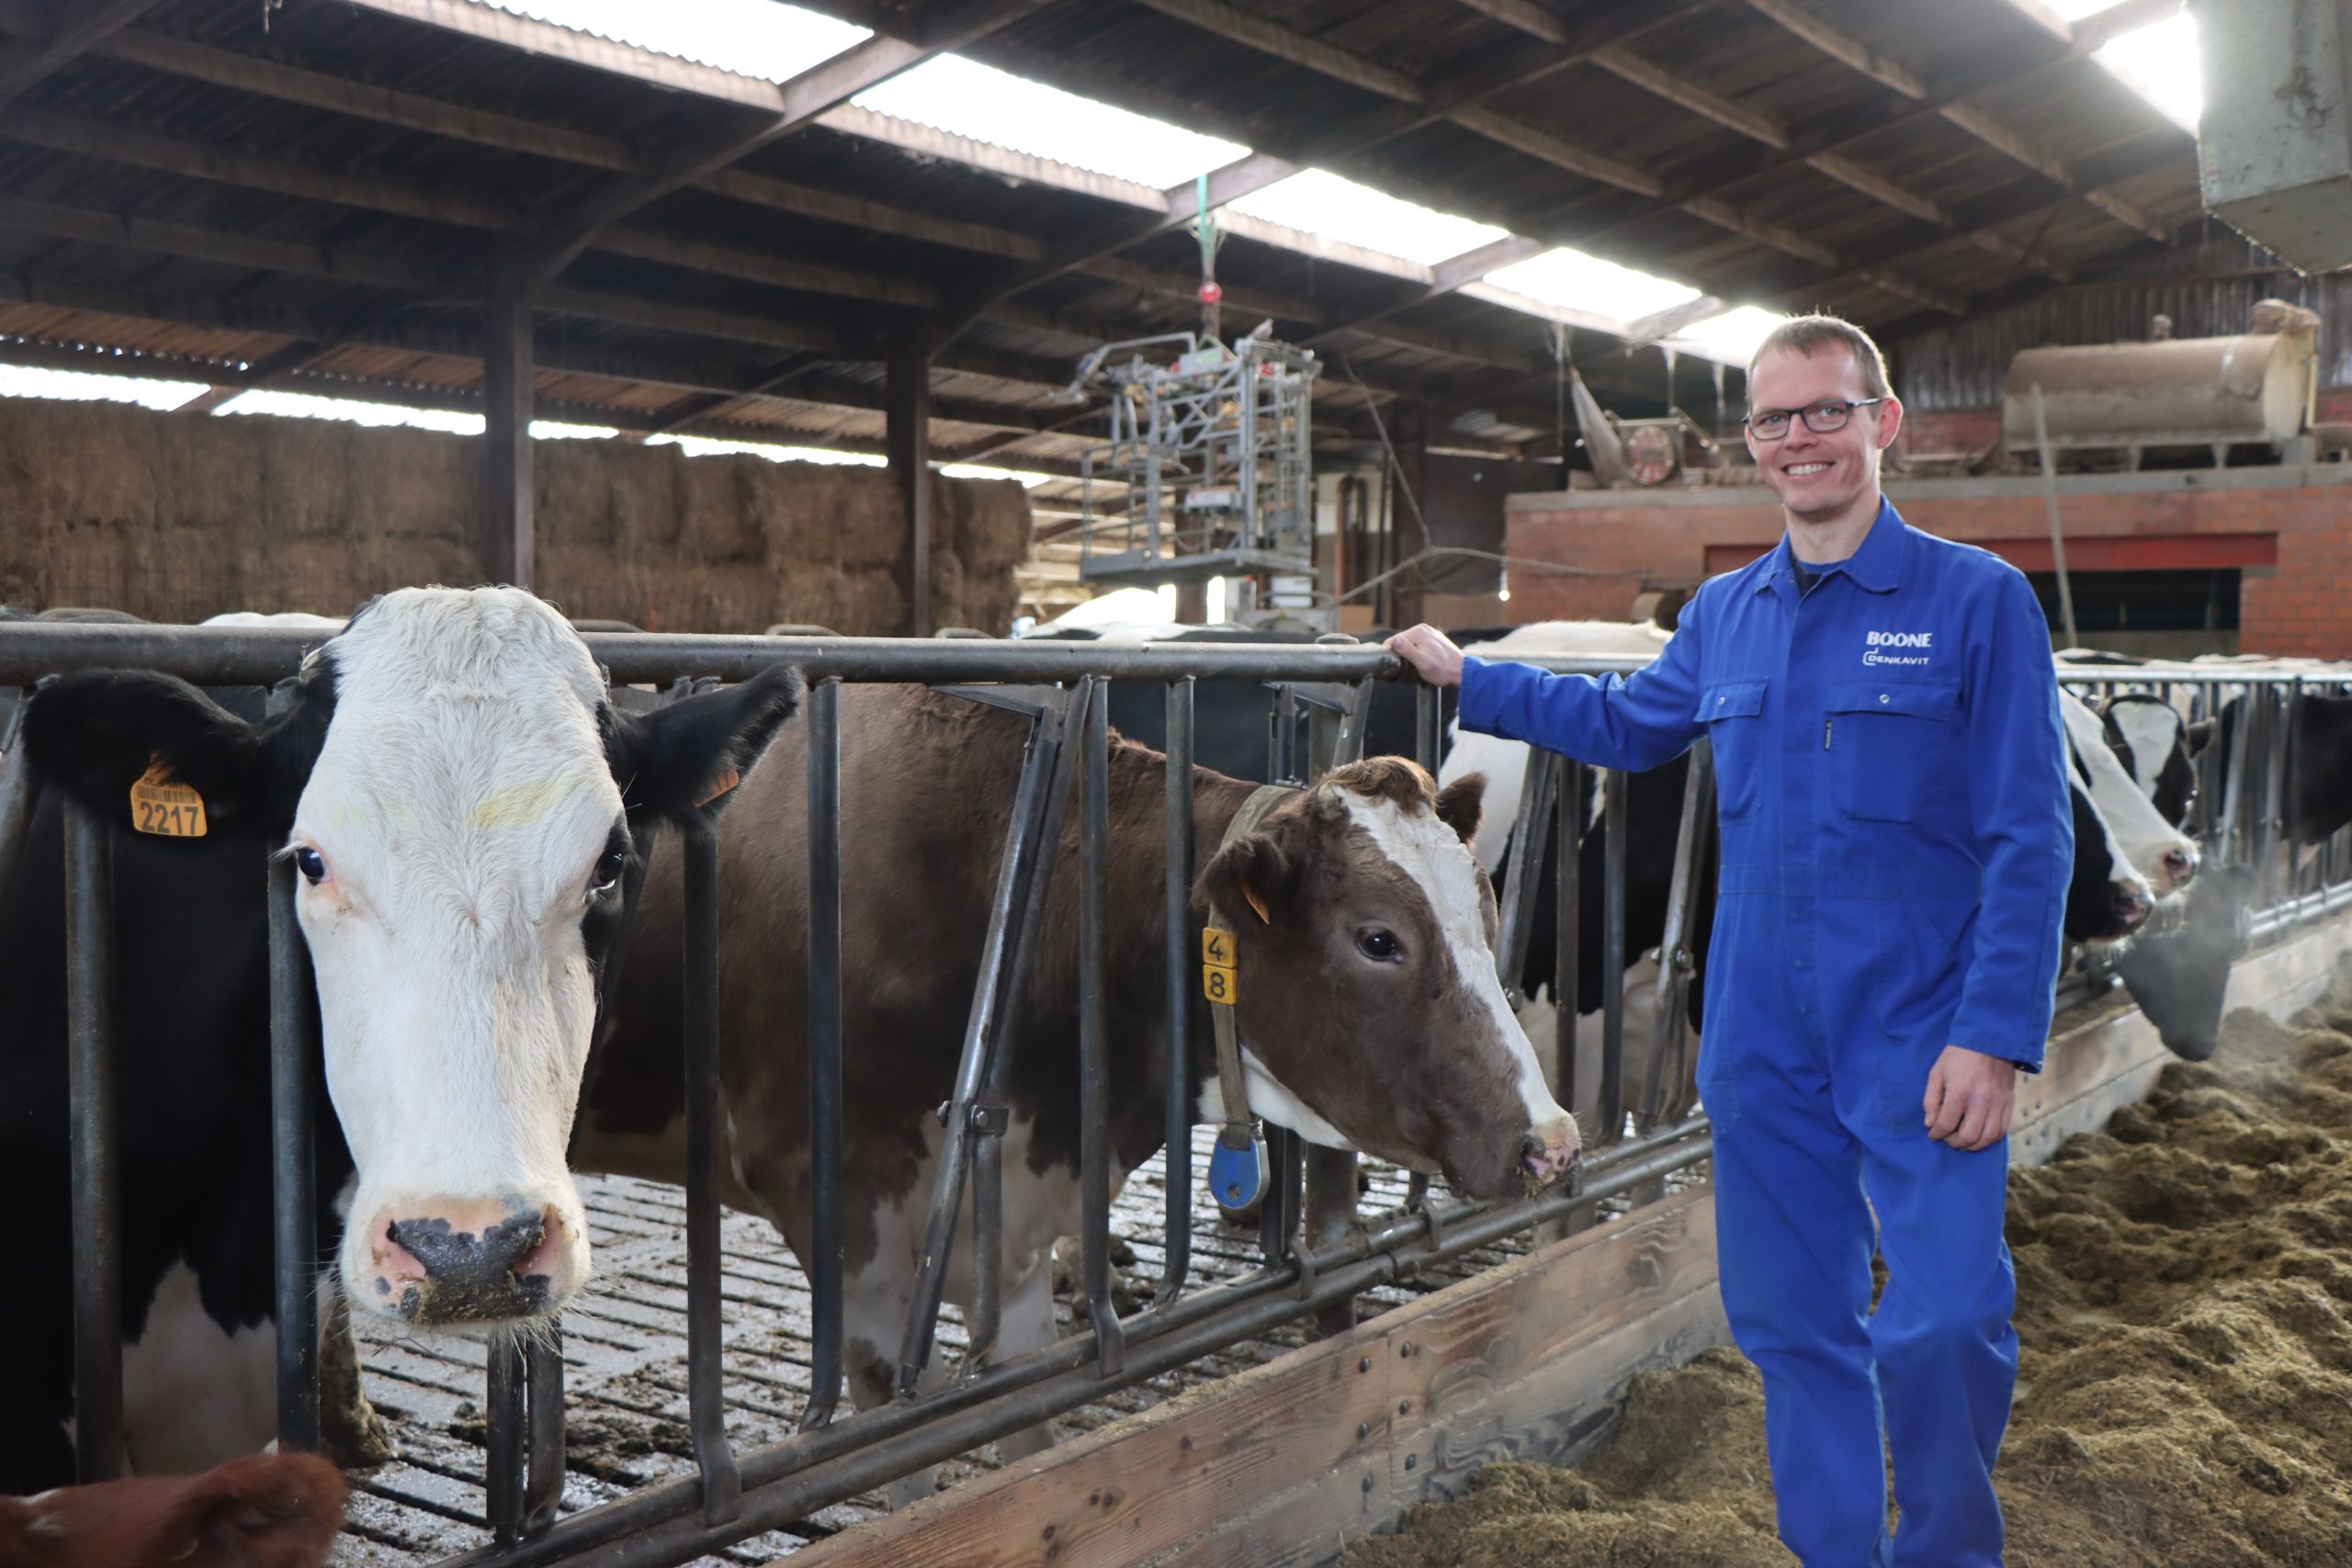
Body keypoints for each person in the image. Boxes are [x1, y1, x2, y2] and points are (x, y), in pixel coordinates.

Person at [1387, 315, 2070, 1568]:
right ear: (1751, 442)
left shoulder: (1980, 603)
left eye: (1826, 411)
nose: (1801, 438)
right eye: (1776, 418)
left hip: (1921, 1024)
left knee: (1947, 1318)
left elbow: (2032, 837)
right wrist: (1472, 678)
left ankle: (1949, 1555)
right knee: (1791, 1325)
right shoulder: (1723, 613)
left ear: (1883, 424)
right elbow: (1628, 723)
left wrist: (1995, 1031)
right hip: (1758, 1028)